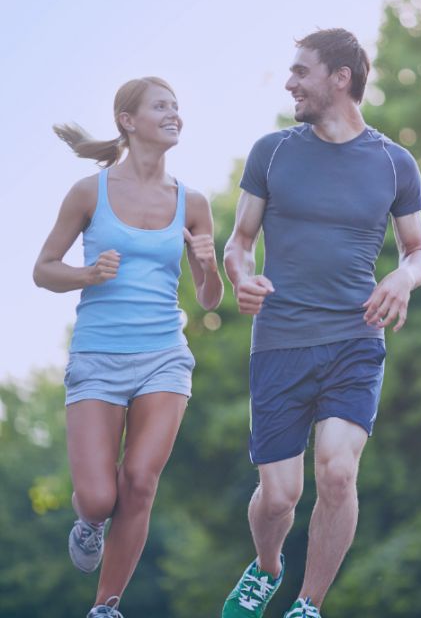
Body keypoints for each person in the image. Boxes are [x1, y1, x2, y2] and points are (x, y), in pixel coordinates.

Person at [221, 28, 421, 618]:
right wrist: (242, 276)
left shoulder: (394, 162)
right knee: (280, 498)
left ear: (341, 77)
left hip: (355, 339)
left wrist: (401, 278)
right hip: (281, 341)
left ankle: (307, 605)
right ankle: (266, 568)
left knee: (338, 471)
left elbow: (417, 251)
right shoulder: (274, 151)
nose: (290, 83)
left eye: (300, 72)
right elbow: (238, 242)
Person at [33, 76, 223, 618]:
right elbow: (43, 270)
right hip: (97, 357)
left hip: (164, 355)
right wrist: (88, 275)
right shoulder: (89, 192)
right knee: (99, 498)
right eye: (161, 106)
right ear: (128, 120)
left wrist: (206, 265)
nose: (174, 114)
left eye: (177, 106)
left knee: (139, 483)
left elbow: (210, 301)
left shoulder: (193, 202)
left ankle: (106, 608)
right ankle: (89, 523)